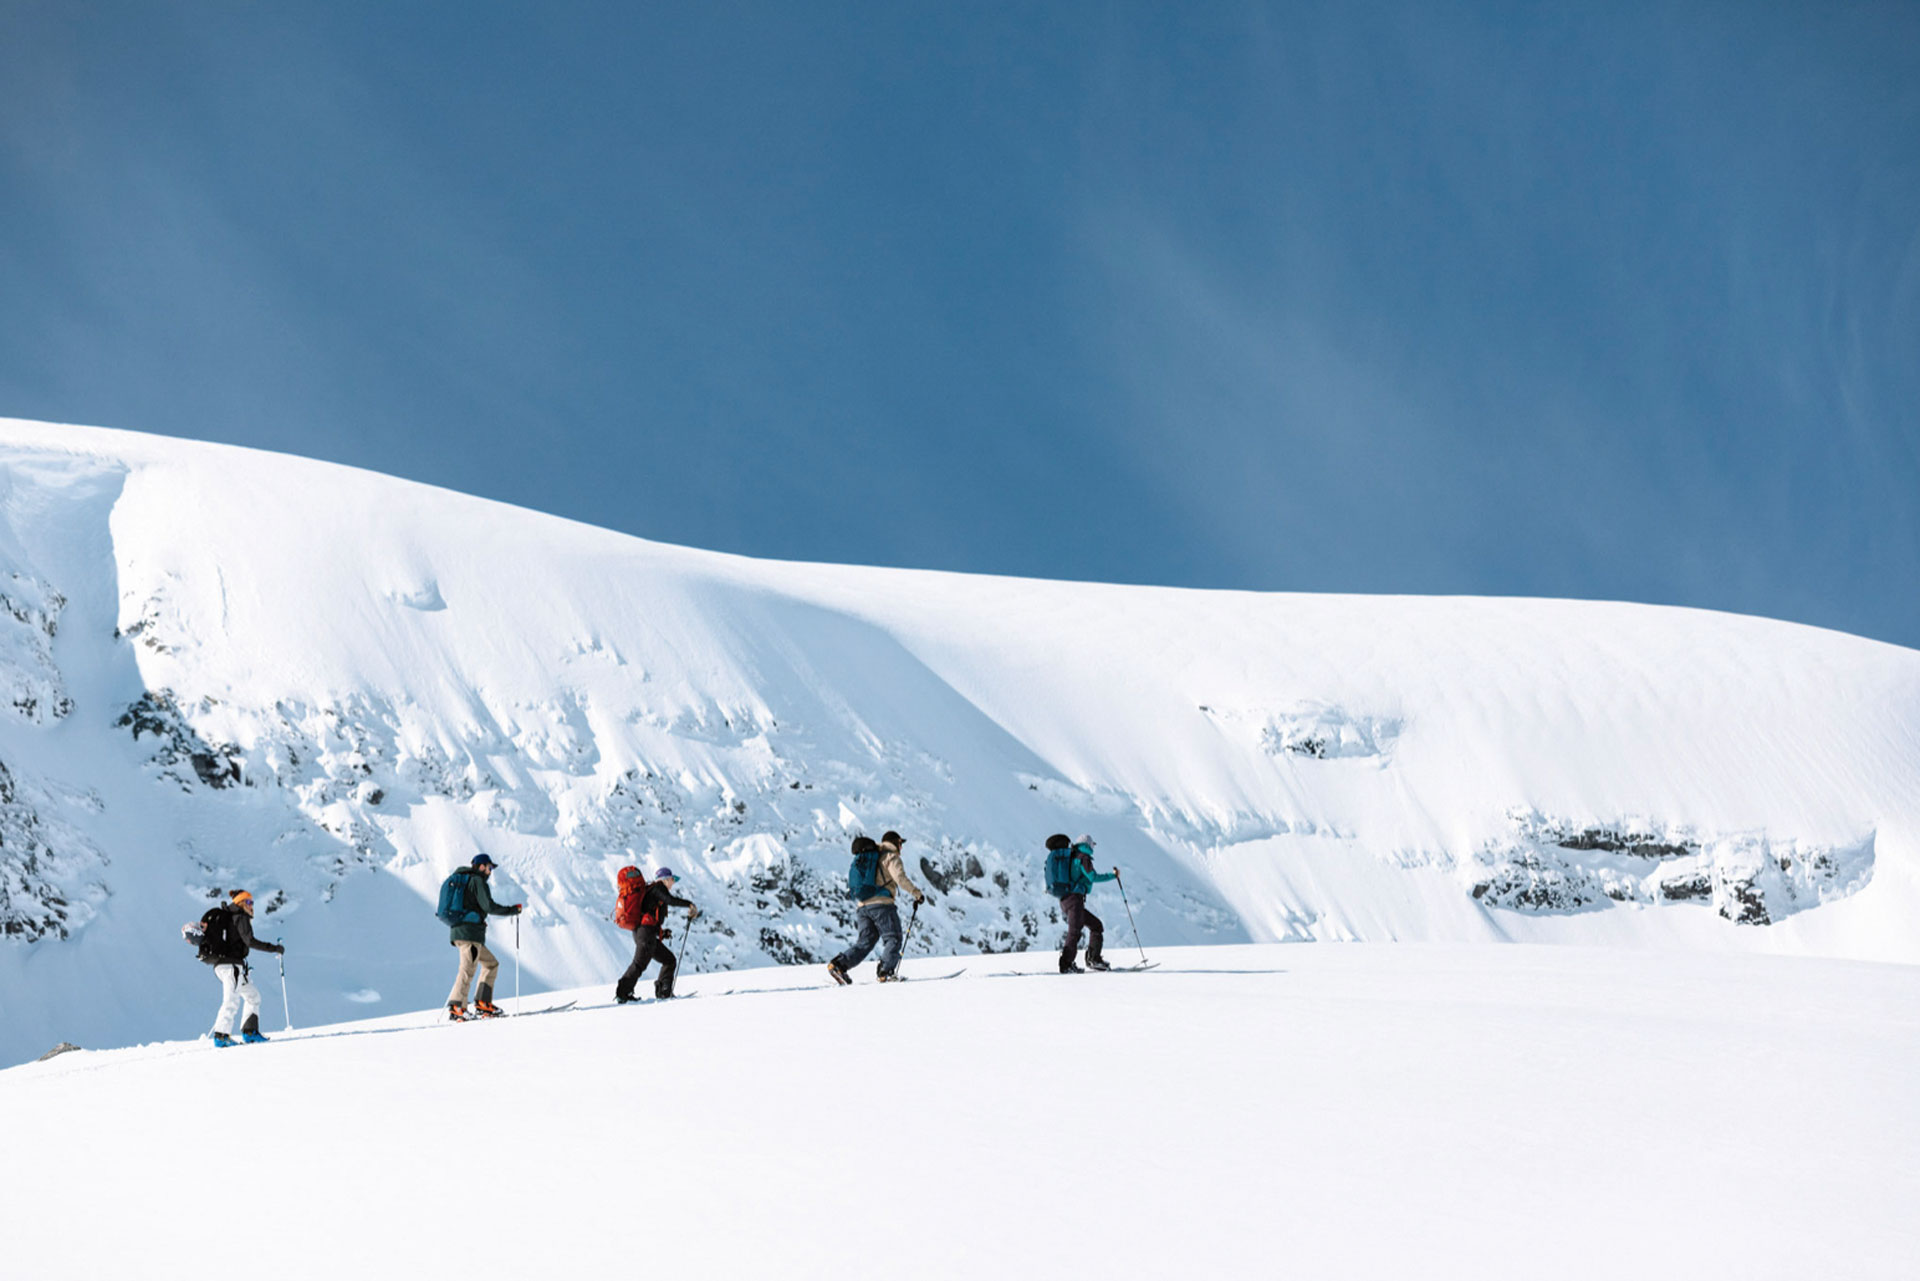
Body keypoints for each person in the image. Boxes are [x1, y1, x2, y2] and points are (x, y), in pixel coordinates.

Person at [827, 830, 927, 985]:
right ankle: (885, 972)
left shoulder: (871, 857)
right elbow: (900, 878)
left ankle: (839, 965)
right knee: (893, 937)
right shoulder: (891, 857)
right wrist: (917, 894)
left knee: (865, 942)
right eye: (901, 843)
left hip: (862, 906)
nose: (901, 847)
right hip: (882, 905)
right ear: (895, 842)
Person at [199, 889, 285, 1047]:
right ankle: (221, 1036)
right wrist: (274, 948)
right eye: (249, 902)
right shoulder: (240, 916)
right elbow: (250, 940)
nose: (252, 906)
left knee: (253, 996)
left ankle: (250, 1032)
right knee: (231, 1000)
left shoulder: (232, 917)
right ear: (240, 903)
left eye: (252, 902)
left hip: (227, 965)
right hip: (230, 965)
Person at [445, 853, 524, 1020]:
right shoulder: (477, 881)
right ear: (481, 866)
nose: (490, 872)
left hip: (465, 932)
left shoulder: (466, 881)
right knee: (467, 969)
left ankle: (482, 1003)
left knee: (491, 964)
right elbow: (488, 906)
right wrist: (512, 910)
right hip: (469, 934)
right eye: (489, 868)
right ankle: (457, 1007)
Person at [614, 867, 699, 1003]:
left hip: (645, 934)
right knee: (639, 964)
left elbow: (649, 917)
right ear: (665, 879)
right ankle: (622, 993)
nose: (673, 883)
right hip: (645, 935)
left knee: (669, 960)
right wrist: (689, 904)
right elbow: (670, 900)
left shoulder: (652, 890)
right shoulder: (659, 887)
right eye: (672, 879)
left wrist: (662, 933)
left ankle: (664, 992)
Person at [1056, 833, 1117, 973]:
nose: (1093, 847)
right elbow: (1092, 876)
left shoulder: (1073, 856)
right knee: (1074, 932)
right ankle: (1066, 965)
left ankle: (1093, 959)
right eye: (1092, 844)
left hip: (1067, 900)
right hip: (1074, 900)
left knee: (1096, 926)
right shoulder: (1083, 857)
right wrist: (1112, 876)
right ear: (1087, 845)